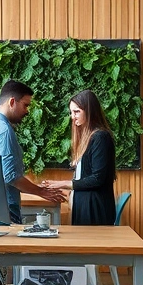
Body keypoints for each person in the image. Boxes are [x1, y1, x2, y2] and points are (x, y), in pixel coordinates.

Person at [0, 79, 66, 224]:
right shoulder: (3, 131)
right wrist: (42, 192)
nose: (27, 111)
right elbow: (11, 177)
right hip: (4, 213)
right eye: (25, 105)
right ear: (12, 102)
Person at [42, 90, 117, 225]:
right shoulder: (89, 138)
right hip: (85, 207)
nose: (72, 116)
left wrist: (62, 184)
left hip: (95, 211)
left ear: (89, 111)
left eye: (76, 112)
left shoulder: (100, 137)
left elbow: (97, 178)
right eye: (71, 112)